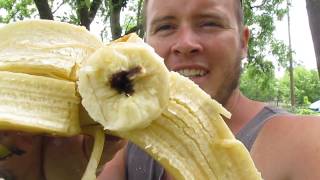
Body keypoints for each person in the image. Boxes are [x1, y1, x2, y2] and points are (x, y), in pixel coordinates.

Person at [98, 0, 320, 179]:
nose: (185, 44)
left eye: (210, 23)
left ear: (243, 43)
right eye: (165, 26)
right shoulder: (123, 143)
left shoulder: (305, 142)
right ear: (145, 47)